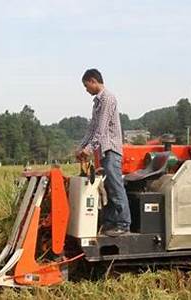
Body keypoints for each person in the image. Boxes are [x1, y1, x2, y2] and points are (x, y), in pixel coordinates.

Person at [76, 68, 131, 237]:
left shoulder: (107, 99)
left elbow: (100, 130)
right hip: (103, 151)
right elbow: (92, 128)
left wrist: (89, 149)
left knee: (115, 186)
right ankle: (109, 222)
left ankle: (123, 223)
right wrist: (81, 147)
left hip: (111, 149)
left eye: (86, 86)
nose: (86, 90)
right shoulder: (98, 102)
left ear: (93, 81)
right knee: (107, 188)